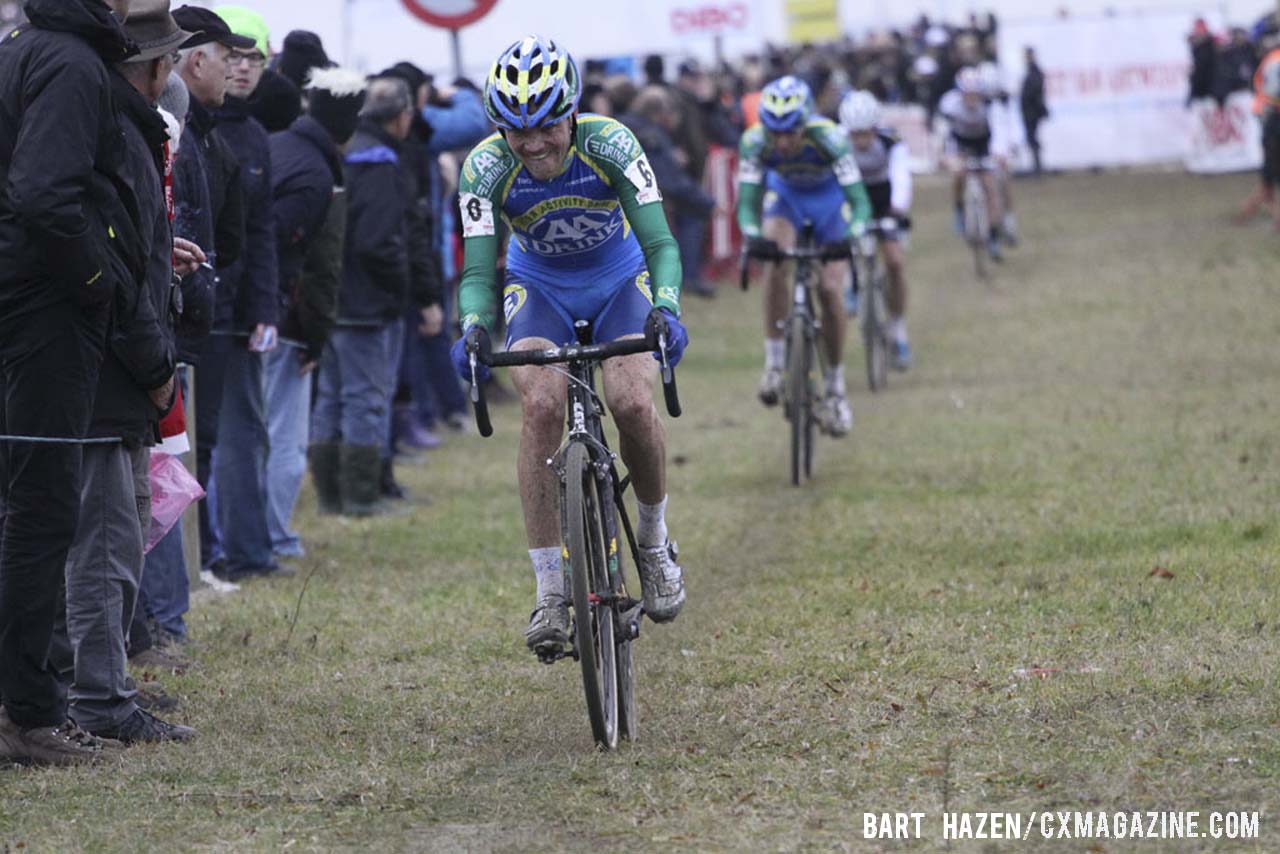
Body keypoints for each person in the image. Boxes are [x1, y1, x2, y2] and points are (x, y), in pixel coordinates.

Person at [448, 35, 689, 654]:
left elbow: (660, 243)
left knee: (633, 400)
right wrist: (472, 327)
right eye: (515, 130)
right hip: (540, 288)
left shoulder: (611, 143)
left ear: (572, 111)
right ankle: (551, 591)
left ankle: (655, 543)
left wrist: (665, 308)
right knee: (540, 405)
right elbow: (478, 273)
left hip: (619, 282)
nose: (532, 144)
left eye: (546, 126)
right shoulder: (484, 168)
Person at [0, 0, 138, 766]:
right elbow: (45, 194)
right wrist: (98, 278)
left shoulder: (24, 47)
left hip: (23, 299)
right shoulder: (70, 62)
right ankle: (30, 715)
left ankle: (26, 703)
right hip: (46, 311)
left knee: (25, 508)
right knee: (43, 512)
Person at [59, 0, 193, 744]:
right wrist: (154, 368)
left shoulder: (123, 130)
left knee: (115, 531)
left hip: (104, 368)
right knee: (105, 542)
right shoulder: (121, 136)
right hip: (109, 373)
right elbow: (114, 272)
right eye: (167, 60)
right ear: (152, 69)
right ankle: (99, 700)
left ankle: (102, 685)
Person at [735, 75, 871, 437]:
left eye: (791, 132)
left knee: (829, 290)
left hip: (830, 205)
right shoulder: (754, 142)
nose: (782, 141)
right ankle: (775, 364)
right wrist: (752, 235)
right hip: (787, 200)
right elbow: (747, 206)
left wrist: (851, 236)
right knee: (774, 258)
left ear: (806, 122)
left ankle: (837, 388)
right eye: (774, 132)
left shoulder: (830, 138)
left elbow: (860, 204)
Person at [311, 77, 417, 517]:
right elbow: (378, 241)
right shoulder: (379, 162)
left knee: (332, 397)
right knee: (365, 399)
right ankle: (360, 497)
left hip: (333, 296)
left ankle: (330, 497)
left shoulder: (345, 152)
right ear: (402, 115)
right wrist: (400, 284)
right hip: (365, 303)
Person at [273, 68, 368, 522]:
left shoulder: (278, 147)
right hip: (287, 322)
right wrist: (315, 334)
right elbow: (320, 266)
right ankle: (271, 537)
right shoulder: (320, 174)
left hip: (263, 314)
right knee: (282, 438)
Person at [838, 90, 913, 371]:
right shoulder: (837, 141)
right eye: (855, 134)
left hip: (884, 202)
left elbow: (901, 176)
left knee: (894, 261)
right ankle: (850, 285)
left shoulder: (890, 141)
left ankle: (898, 331)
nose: (860, 140)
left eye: (865, 133)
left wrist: (898, 209)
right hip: (851, 198)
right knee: (840, 240)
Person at [938, 66, 1007, 260]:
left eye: (975, 94)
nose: (971, 98)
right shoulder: (950, 105)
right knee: (959, 175)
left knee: (990, 186)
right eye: (967, 94)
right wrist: (946, 157)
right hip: (960, 143)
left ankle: (993, 236)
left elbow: (998, 133)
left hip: (983, 144)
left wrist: (999, 154)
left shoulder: (990, 105)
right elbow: (945, 134)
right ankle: (959, 208)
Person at [1020, 47, 1048, 176]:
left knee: (1032, 138)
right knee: (1031, 138)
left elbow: (1035, 92)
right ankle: (1036, 166)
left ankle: (1037, 167)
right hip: (1030, 111)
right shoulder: (1032, 71)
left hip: (1032, 111)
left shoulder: (1035, 72)